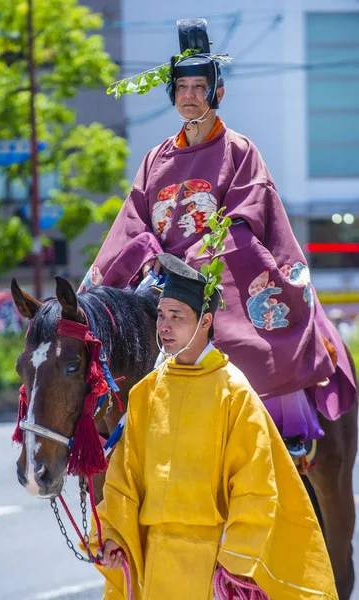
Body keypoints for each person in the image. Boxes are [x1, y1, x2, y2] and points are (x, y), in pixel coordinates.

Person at [80, 18, 356, 458]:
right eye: (182, 87)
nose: (190, 94)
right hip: (160, 273)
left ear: (216, 93)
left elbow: (248, 214)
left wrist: (192, 262)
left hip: (217, 269)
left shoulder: (239, 150)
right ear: (172, 95)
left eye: (199, 86)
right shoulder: (155, 159)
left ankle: (283, 428)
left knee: (247, 336)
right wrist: (148, 256)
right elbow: (134, 218)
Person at [90, 253, 337, 600]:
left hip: (212, 565)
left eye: (177, 316)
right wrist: (115, 534)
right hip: (155, 562)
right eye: (161, 315)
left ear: (205, 322)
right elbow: (123, 478)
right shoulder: (147, 392)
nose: (164, 326)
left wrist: (235, 558)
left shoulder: (234, 392)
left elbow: (256, 488)